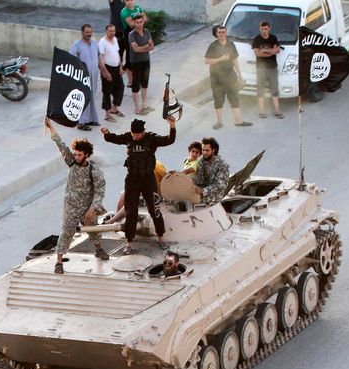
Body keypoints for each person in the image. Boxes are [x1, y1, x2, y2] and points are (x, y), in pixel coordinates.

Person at [103, 117, 176, 254]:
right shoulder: (128, 137)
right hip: (132, 180)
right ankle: (129, 243)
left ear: (143, 132)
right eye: (133, 134)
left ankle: (161, 238)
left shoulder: (151, 139)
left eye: (137, 134)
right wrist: (106, 134)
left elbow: (169, 140)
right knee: (131, 212)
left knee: (154, 210)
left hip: (148, 180)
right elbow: (115, 139)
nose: (135, 137)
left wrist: (172, 127)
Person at [45, 118, 108, 275]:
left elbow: (100, 189)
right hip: (71, 207)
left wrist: (93, 208)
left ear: (86, 155)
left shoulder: (93, 171)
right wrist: (51, 127)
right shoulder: (71, 162)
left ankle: (99, 250)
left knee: (93, 230)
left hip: (87, 208)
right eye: (75, 154)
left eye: (79, 155)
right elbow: (60, 145)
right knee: (66, 232)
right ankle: (59, 262)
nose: (76, 157)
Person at [204, 25, 252, 130]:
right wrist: (220, 59)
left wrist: (240, 75)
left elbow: (235, 60)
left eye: (223, 32)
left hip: (230, 76)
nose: (221, 34)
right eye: (219, 32)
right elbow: (207, 61)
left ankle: (238, 121)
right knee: (218, 100)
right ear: (216, 34)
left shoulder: (231, 45)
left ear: (226, 33)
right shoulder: (213, 46)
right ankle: (219, 122)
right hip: (216, 78)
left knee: (234, 98)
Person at [71, 24, 101, 131]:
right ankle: (82, 122)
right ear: (82, 32)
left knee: (92, 96)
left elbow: (99, 58)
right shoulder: (77, 45)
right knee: (84, 98)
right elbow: (71, 60)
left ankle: (92, 119)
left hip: (94, 75)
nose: (89, 34)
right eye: (87, 32)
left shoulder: (94, 43)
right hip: (82, 76)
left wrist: (105, 71)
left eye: (90, 32)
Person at [252, 21, 284, 119]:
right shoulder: (256, 39)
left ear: (269, 28)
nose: (264, 31)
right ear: (260, 28)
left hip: (272, 67)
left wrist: (265, 51)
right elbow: (257, 54)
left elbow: (277, 50)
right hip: (261, 68)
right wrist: (271, 52)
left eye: (266, 29)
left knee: (274, 88)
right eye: (262, 29)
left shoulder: (273, 38)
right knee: (260, 88)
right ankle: (261, 110)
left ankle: (277, 110)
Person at [128, 13, 155, 116]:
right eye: (137, 22)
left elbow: (152, 46)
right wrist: (146, 47)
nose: (139, 24)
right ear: (134, 23)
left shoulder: (147, 32)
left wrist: (142, 48)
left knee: (145, 84)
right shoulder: (132, 35)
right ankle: (137, 108)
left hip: (146, 61)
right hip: (136, 63)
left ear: (143, 22)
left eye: (141, 22)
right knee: (135, 85)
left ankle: (144, 104)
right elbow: (135, 49)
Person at [99, 24, 125, 122]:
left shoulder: (115, 40)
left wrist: (121, 67)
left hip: (117, 68)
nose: (112, 33)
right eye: (110, 31)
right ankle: (107, 114)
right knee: (107, 92)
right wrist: (105, 72)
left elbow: (118, 53)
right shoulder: (102, 42)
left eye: (113, 31)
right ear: (106, 31)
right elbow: (100, 58)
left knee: (120, 88)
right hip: (107, 68)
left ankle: (114, 109)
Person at [119, 0, 146, 88]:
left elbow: (145, 18)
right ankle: (130, 82)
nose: (130, 2)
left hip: (139, 33)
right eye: (127, 0)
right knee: (130, 58)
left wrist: (139, 22)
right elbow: (131, 24)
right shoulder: (124, 12)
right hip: (129, 34)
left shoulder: (138, 8)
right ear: (125, 1)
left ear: (134, 0)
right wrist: (140, 21)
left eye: (131, 0)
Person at [194, 137, 230, 204]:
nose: (204, 153)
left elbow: (219, 186)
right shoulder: (201, 161)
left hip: (214, 196)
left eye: (207, 150)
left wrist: (203, 191)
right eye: (203, 150)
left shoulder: (222, 165)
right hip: (201, 192)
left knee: (190, 202)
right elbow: (198, 180)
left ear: (213, 150)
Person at [106, 0, 127, 72]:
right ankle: (118, 69)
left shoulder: (124, 2)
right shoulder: (113, 1)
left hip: (124, 30)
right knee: (117, 51)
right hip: (116, 31)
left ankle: (123, 67)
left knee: (125, 49)